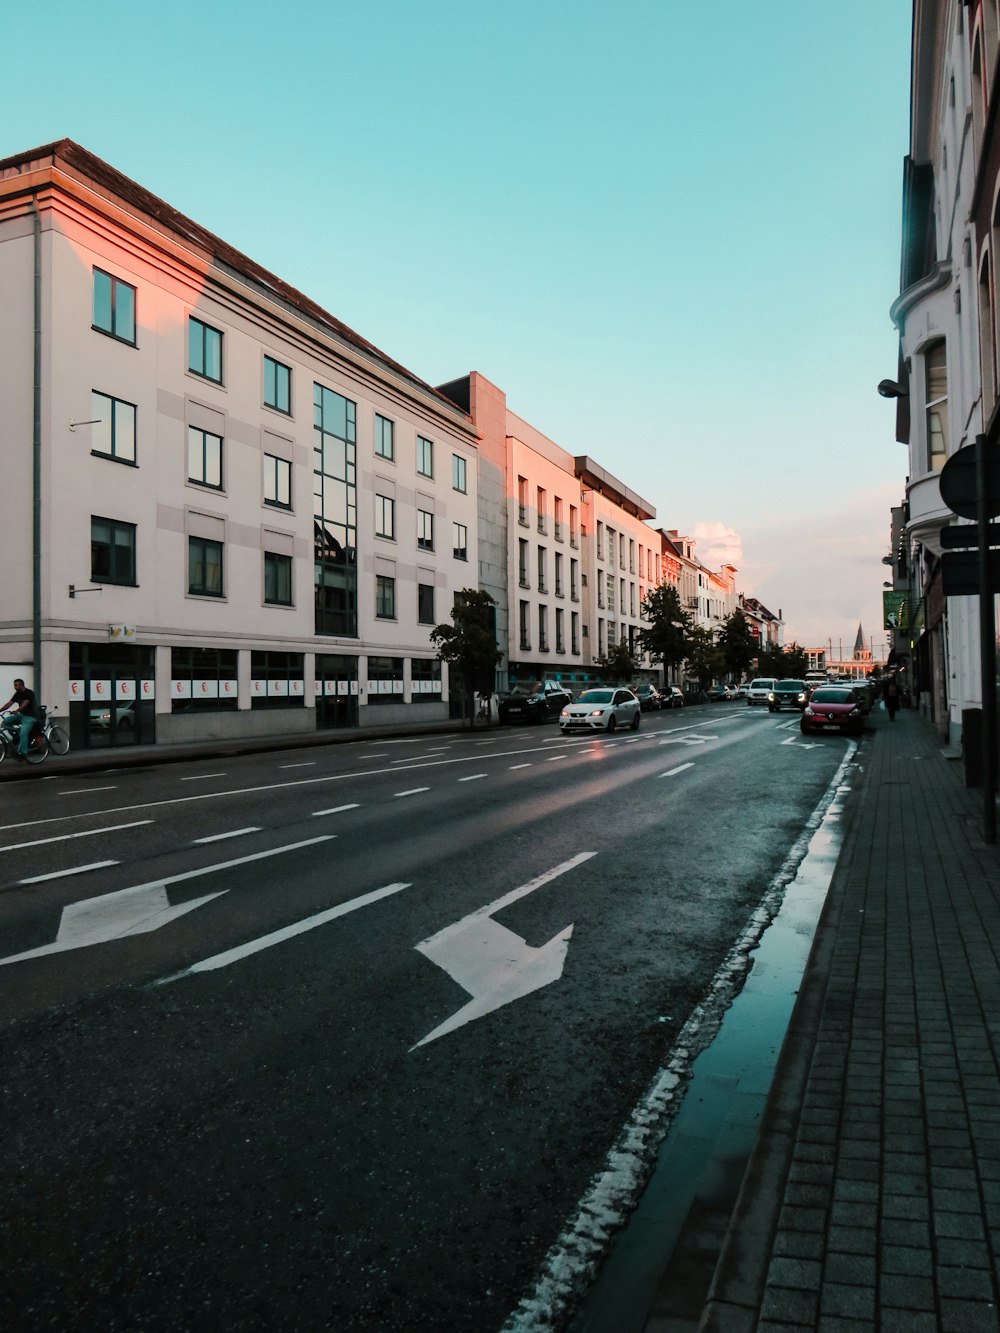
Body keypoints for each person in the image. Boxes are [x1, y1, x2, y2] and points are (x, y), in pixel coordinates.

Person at [0, 678, 40, 759]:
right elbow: (9, 703)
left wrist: (17, 710)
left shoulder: (29, 693)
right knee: (5, 722)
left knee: (23, 734)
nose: (14, 687)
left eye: (16, 685)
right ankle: (17, 736)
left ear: (22, 685)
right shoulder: (17, 693)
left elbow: (25, 703)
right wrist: (0, 710)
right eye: (14, 685)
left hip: (30, 717)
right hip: (21, 715)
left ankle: (23, 753)